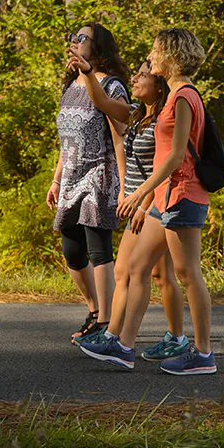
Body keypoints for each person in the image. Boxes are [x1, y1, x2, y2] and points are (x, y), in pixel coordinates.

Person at [81, 28, 217, 375]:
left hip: (182, 194)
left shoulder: (184, 96)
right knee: (138, 267)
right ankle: (123, 346)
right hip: (166, 196)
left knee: (188, 274)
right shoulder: (173, 96)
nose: (150, 56)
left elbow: (174, 157)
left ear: (170, 56)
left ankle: (202, 353)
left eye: (156, 51)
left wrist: (141, 193)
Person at [66, 57, 189, 365]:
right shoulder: (136, 116)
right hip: (138, 201)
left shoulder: (164, 119)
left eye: (142, 75)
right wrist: (89, 73)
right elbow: (102, 101)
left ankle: (138, 341)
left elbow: (163, 167)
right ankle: (114, 336)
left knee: (151, 274)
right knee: (138, 272)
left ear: (158, 85)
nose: (134, 79)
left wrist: (142, 202)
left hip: (154, 202)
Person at [46, 23, 129, 341]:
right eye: (72, 38)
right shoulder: (70, 87)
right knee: (72, 252)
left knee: (98, 250)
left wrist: (124, 186)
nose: (74, 42)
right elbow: (66, 140)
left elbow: (120, 137)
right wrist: (56, 180)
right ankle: (95, 309)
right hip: (70, 180)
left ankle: (105, 323)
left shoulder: (111, 86)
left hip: (100, 176)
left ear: (98, 47)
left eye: (82, 38)